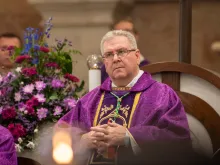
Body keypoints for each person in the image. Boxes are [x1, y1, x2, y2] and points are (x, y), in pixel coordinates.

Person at [58, 30, 191, 165]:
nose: (115, 58)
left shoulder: (161, 95)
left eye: (121, 52)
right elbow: (60, 132)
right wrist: (82, 140)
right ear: (105, 62)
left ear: (137, 56)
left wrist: (130, 137)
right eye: (109, 54)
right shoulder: (90, 100)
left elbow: (179, 139)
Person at [101, 18, 149, 83]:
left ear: (136, 35)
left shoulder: (149, 67)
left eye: (127, 31)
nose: (122, 35)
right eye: (118, 32)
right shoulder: (104, 69)